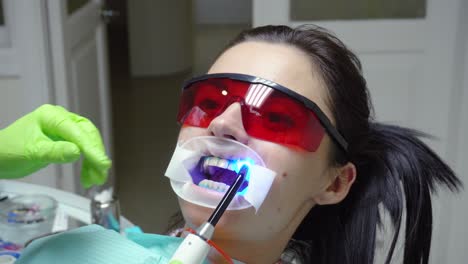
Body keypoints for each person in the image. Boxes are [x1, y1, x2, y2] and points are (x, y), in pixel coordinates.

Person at [3, 25, 463, 264]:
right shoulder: (77, 253)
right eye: (207, 101)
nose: (223, 123)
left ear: (335, 182)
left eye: (279, 117)